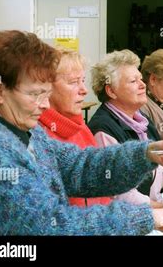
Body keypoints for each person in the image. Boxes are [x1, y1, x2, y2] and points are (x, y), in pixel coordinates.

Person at [0, 30, 163, 235]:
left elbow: (80, 166)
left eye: (46, 93)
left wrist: (144, 154)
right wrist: (142, 217)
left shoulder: (26, 131)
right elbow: (49, 227)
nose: (45, 105)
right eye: (35, 94)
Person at [88, 49, 163, 205]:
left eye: (140, 79)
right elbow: (119, 194)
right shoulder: (103, 129)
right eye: (133, 81)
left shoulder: (141, 121)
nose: (143, 85)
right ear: (111, 91)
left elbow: (158, 172)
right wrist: (161, 208)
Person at [38, 48, 112, 207]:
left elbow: (103, 191)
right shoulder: (37, 136)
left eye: (83, 80)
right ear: (47, 88)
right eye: (73, 82)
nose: (84, 90)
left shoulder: (81, 128)